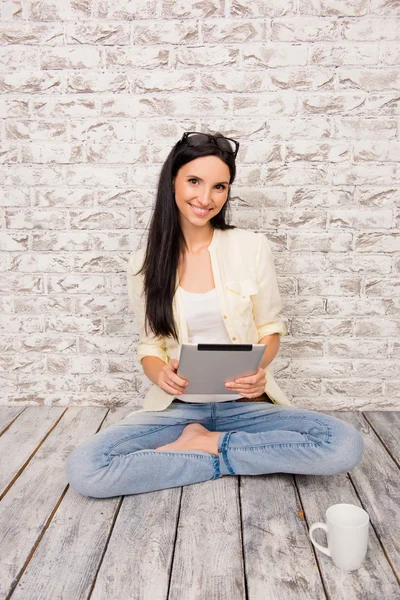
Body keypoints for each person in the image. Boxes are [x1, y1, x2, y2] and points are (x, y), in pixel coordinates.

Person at [66, 131, 364, 498]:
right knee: (86, 470)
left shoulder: (250, 247)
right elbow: (149, 346)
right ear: (172, 181)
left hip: (245, 407)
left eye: (219, 187)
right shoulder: (143, 264)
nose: (206, 199)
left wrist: (259, 370)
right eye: (194, 181)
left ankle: (208, 445)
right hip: (177, 410)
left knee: (344, 445)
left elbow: (270, 329)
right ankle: (220, 449)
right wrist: (162, 374)